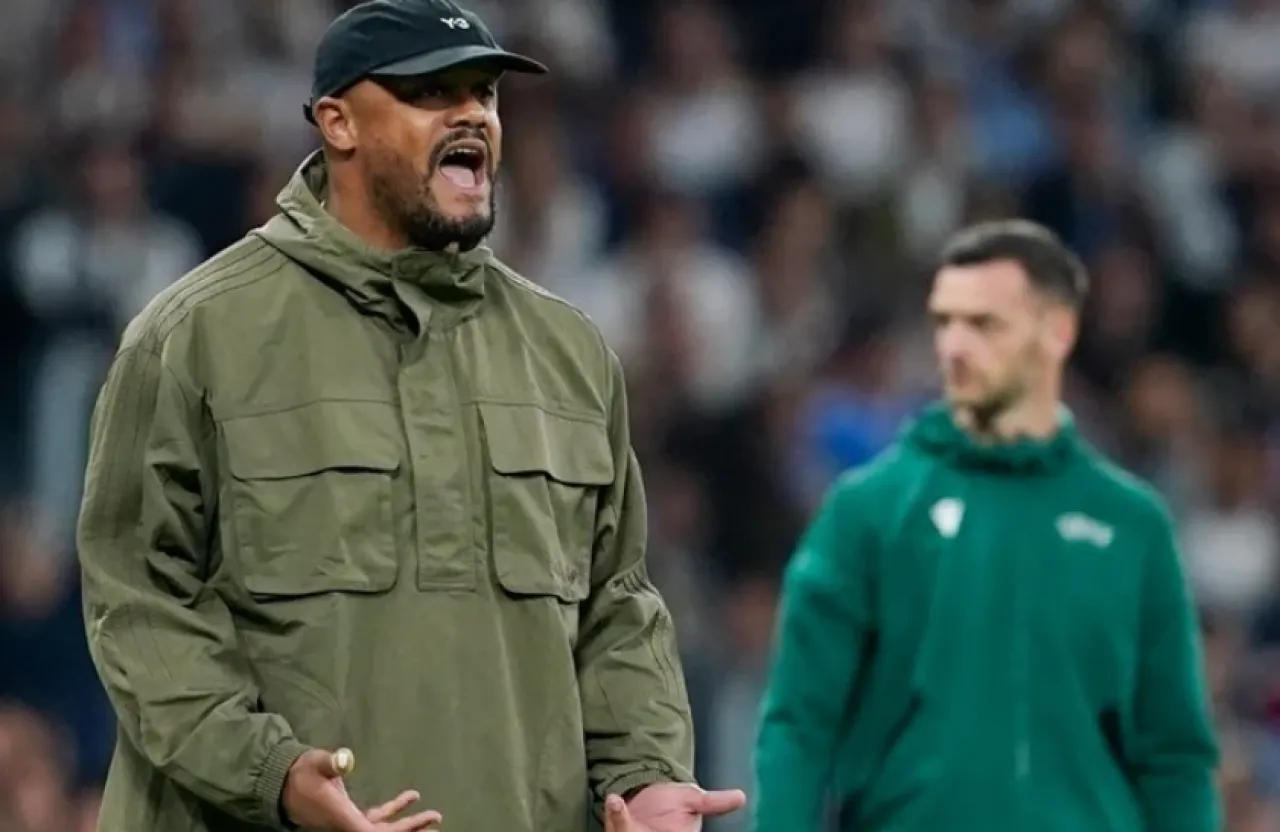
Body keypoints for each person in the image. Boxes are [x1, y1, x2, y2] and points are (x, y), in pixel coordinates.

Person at [76, 2, 745, 831]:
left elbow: (618, 606)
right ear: (338, 123)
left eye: (484, 94)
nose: (472, 116)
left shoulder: (569, 354)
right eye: (431, 93)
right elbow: (138, 605)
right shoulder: (194, 338)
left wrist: (644, 775)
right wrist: (272, 773)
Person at [752, 219, 1220, 831]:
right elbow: (799, 724)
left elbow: (1174, 754)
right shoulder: (867, 512)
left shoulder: (1131, 525)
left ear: (1057, 331)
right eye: (945, 322)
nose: (956, 346)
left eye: (985, 324)